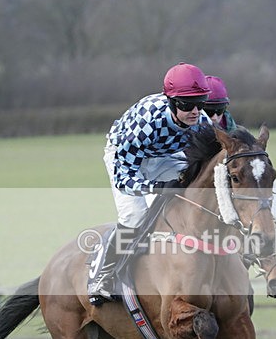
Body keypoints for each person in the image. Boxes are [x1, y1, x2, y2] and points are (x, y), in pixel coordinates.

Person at [90, 62, 213, 305]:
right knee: (135, 216)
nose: (196, 111)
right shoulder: (148, 123)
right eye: (188, 105)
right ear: (171, 101)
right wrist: (155, 187)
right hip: (127, 159)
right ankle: (102, 276)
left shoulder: (202, 121)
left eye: (201, 102)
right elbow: (125, 179)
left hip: (165, 157)